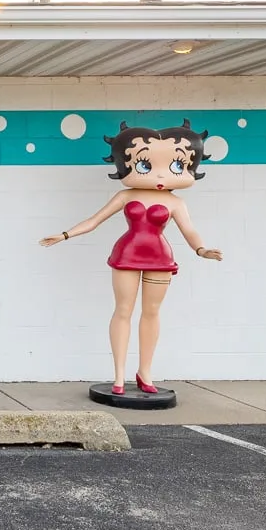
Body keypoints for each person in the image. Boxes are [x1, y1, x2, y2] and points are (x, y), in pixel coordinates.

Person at [39, 120, 223, 395]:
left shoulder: (175, 202)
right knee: (123, 311)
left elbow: (190, 230)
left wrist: (202, 250)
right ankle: (118, 374)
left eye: (176, 166)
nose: (161, 176)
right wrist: (65, 235)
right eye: (146, 166)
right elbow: (95, 220)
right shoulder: (125, 195)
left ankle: (144, 371)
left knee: (151, 313)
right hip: (126, 255)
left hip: (160, 259)